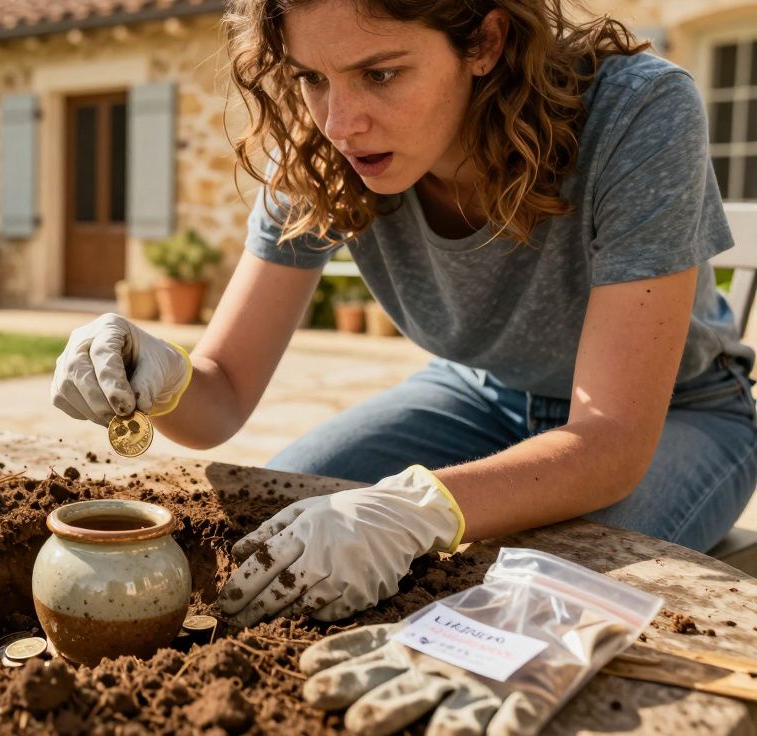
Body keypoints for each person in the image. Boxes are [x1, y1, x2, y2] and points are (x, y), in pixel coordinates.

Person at [50, 0, 757, 626]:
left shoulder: (639, 111)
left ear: (484, 42)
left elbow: (609, 444)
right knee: (271, 534)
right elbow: (223, 394)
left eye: (380, 74)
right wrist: (163, 374)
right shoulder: (315, 150)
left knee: (523, 598)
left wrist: (417, 509)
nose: (339, 123)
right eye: (311, 77)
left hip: (684, 415)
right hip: (480, 395)